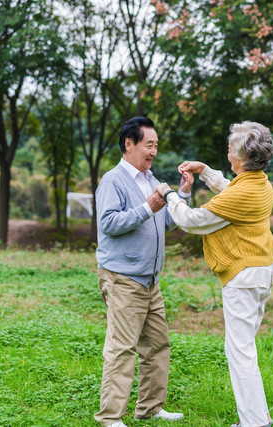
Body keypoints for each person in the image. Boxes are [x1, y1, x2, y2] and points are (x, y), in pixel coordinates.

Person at [155, 121, 273, 427]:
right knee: (243, 347)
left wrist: (171, 197)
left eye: (230, 147)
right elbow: (228, 188)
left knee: (240, 351)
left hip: (244, 275)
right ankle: (257, 416)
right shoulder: (258, 183)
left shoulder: (242, 193)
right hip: (261, 270)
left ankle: (255, 423)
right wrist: (205, 170)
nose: (227, 150)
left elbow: (193, 220)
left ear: (243, 157)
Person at [94, 116, 188, 427]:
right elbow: (108, 223)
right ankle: (110, 418)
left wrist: (184, 194)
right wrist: (147, 207)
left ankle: (149, 408)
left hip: (150, 280)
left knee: (157, 345)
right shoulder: (113, 181)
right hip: (123, 278)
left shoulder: (150, 179)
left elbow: (166, 222)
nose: (154, 151)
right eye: (149, 145)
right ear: (129, 144)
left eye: (156, 146)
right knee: (122, 350)